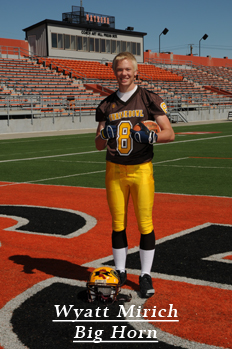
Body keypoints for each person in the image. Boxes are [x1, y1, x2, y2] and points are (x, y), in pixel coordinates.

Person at [95, 52, 175, 298]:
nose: (124, 74)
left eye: (128, 69)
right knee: (118, 223)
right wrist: (104, 134)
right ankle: (119, 271)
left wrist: (151, 136)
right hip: (115, 169)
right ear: (114, 72)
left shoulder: (149, 98)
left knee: (145, 223)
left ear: (136, 71)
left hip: (141, 168)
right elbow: (98, 144)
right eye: (120, 70)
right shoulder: (106, 104)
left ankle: (145, 274)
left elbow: (169, 133)